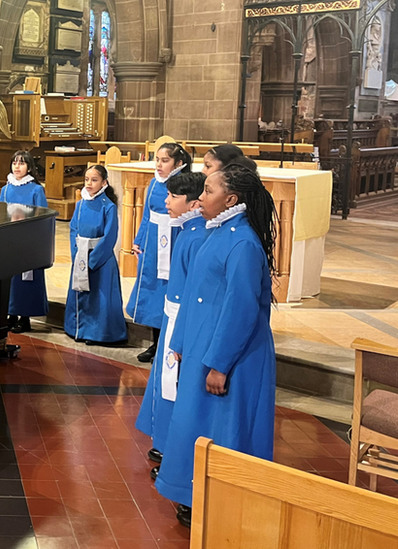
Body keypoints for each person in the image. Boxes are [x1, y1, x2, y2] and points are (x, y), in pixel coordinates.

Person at [154, 164, 278, 527]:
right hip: (201, 345)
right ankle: (193, 492)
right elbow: (195, 294)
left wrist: (221, 364)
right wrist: (177, 342)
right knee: (194, 423)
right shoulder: (217, 232)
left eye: (208, 191)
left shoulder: (242, 243)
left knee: (223, 427)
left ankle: (220, 498)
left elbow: (241, 310)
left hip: (231, 355)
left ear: (232, 199)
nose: (202, 198)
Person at [135, 171, 207, 475]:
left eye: (173, 196)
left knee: (174, 386)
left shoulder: (197, 236)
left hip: (182, 321)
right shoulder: (187, 231)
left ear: (192, 203)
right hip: (172, 316)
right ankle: (163, 439)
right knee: (164, 386)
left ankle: (173, 450)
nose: (166, 201)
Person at [127, 143, 191, 363]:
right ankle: (155, 343)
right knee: (154, 292)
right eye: (157, 160)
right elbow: (147, 215)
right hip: (154, 243)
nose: (159, 165)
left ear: (179, 163)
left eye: (165, 160)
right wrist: (139, 240)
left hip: (173, 240)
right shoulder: (154, 183)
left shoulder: (184, 185)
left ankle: (171, 343)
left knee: (171, 291)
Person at [64, 165, 127, 345]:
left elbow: (110, 236)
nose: (89, 183)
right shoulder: (80, 204)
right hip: (81, 256)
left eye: (94, 180)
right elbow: (73, 229)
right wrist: (77, 254)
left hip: (101, 261)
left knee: (99, 296)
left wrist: (93, 259)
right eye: (86, 179)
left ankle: (97, 333)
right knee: (82, 292)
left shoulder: (109, 207)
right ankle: (78, 328)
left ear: (104, 182)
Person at [0, 150, 48, 333]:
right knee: (10, 280)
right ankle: (11, 314)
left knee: (26, 281)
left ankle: (25, 317)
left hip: (28, 242)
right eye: (14, 163)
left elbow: (42, 216)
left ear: (29, 167)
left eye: (21, 163)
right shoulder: (6, 189)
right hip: (9, 241)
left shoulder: (36, 189)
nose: (17, 166)